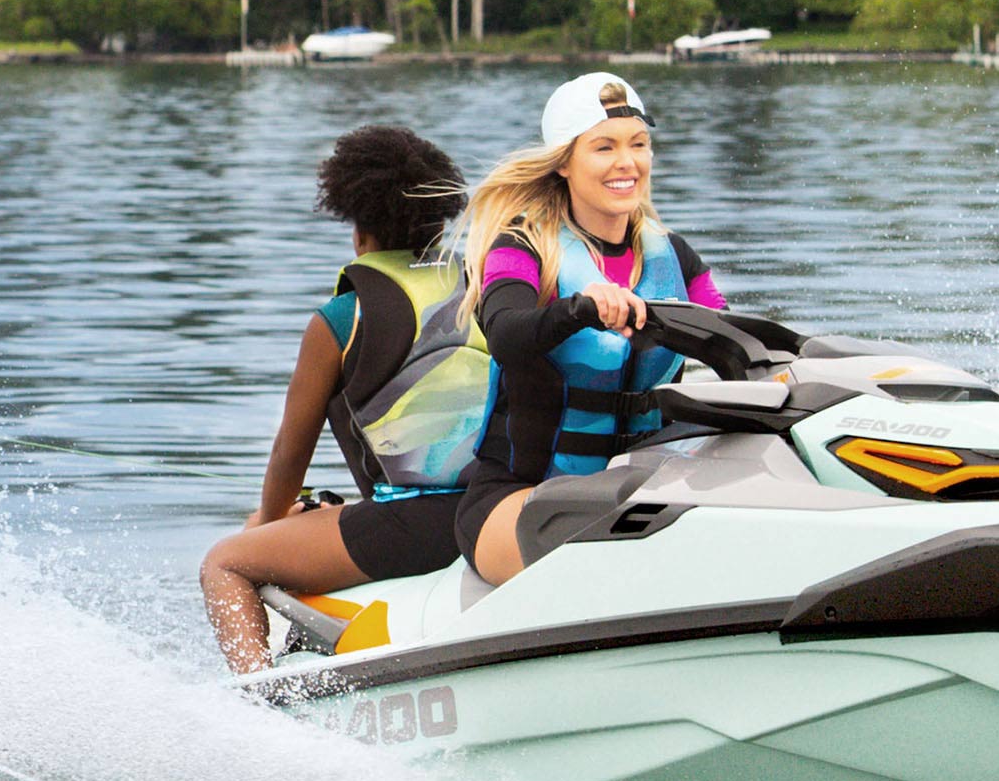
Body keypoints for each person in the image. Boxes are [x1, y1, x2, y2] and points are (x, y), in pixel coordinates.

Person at [200, 125, 487, 672]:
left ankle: (257, 704)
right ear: (439, 220)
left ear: (360, 233)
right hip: (489, 510)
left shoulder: (339, 321)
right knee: (317, 513)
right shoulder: (488, 288)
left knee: (227, 562)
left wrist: (269, 520)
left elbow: (291, 450)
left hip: (410, 531)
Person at [450, 71, 732, 589]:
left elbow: (729, 340)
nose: (627, 163)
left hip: (637, 493)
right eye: (604, 147)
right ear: (563, 161)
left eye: (639, 145)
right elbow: (507, 333)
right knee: (621, 547)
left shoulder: (673, 256)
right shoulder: (524, 246)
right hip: (517, 499)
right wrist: (578, 308)